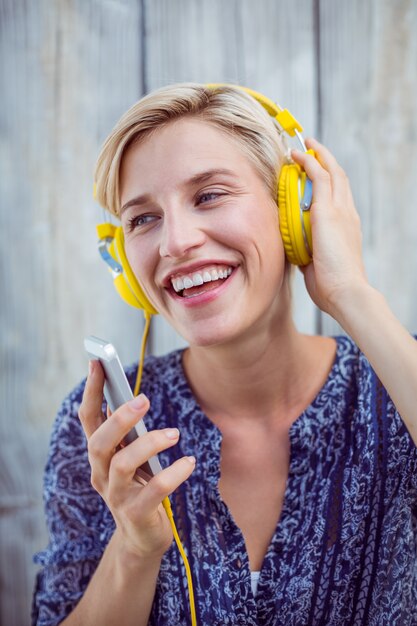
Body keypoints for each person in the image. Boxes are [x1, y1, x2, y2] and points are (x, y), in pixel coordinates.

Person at [32, 83, 417, 626]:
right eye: (142, 219)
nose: (175, 243)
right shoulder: (103, 431)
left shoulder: (395, 384)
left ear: (294, 212)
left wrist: (350, 293)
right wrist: (135, 549)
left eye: (209, 195)